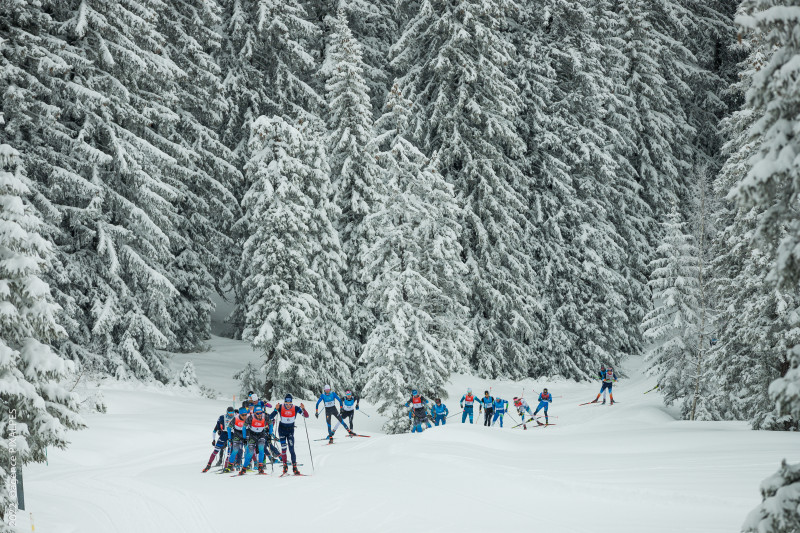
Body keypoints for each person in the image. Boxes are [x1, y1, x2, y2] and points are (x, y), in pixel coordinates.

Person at [269, 394, 309, 475]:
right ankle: (285, 466)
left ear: (291, 403)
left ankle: (294, 467)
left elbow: (306, 416)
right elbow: (270, 417)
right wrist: (276, 409)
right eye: (286, 404)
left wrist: (303, 409)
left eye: (289, 404)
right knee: (284, 449)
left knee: (291, 449)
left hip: (290, 431)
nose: (288, 405)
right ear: (284, 402)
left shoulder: (296, 408)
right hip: (282, 430)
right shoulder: (280, 407)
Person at [239, 405, 270, 474]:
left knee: (261, 450)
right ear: (254, 413)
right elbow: (244, 427)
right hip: (252, 435)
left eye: (260, 413)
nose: (259, 415)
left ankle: (260, 467)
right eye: (257, 413)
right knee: (250, 453)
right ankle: (244, 468)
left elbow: (270, 423)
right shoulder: (250, 417)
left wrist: (270, 434)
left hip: (261, 435)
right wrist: (244, 437)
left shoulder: (265, 416)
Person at [203, 406, 235, 472]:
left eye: (232, 412)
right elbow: (217, 426)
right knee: (216, 450)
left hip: (232, 434)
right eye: (230, 413)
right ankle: (208, 465)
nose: (231, 414)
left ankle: (228, 466)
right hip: (224, 434)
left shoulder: (235, 417)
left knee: (230, 452)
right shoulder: (222, 417)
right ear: (227, 412)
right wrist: (218, 432)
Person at [223, 407, 249, 473]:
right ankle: (230, 466)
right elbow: (229, 428)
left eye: (245, 414)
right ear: (239, 414)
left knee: (247, 450)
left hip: (246, 435)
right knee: (235, 450)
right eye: (243, 415)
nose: (244, 416)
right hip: (237, 435)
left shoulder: (249, 418)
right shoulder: (235, 418)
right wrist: (229, 438)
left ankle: (247, 465)